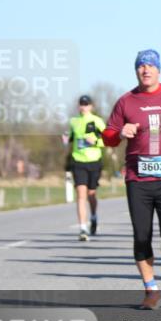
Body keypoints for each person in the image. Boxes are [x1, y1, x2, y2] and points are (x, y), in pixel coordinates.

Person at [103, 49, 161, 309]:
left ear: (159, 70)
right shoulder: (126, 101)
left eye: (150, 66)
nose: (146, 70)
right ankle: (150, 289)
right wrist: (120, 132)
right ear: (136, 71)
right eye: (141, 66)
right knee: (141, 236)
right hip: (137, 179)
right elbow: (108, 136)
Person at [65, 94, 105, 241]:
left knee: (91, 194)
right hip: (78, 161)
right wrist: (65, 138)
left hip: (94, 161)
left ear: (91, 106)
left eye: (86, 104)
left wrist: (95, 142)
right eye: (81, 104)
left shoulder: (97, 121)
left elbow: (108, 139)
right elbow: (69, 139)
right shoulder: (74, 122)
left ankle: (93, 217)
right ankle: (83, 227)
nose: (84, 106)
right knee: (81, 194)